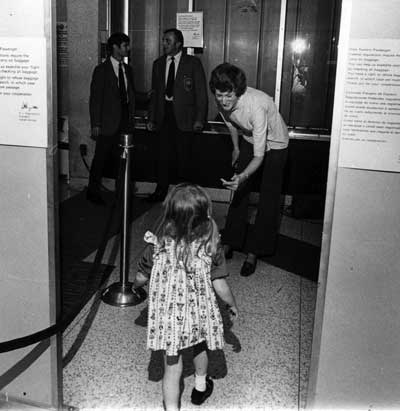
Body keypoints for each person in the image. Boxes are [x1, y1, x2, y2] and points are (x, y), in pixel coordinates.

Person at [134, 183, 238, 410]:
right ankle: (200, 387)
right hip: (199, 312)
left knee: (172, 366)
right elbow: (219, 284)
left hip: (170, 317)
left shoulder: (157, 245)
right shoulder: (210, 245)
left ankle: (171, 408)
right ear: (204, 216)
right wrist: (232, 304)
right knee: (200, 345)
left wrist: (136, 285)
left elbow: (142, 275)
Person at [209, 63, 289, 277]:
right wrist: (235, 148)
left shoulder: (256, 106)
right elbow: (232, 125)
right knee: (239, 191)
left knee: (268, 198)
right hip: (248, 138)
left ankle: (255, 250)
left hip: (275, 144)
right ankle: (231, 241)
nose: (223, 101)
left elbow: (260, 155)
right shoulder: (222, 101)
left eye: (228, 96)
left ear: (238, 92)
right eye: (219, 96)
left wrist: (244, 175)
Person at [146, 28, 208, 203]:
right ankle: (160, 192)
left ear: (178, 44)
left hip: (185, 118)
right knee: (162, 156)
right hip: (163, 115)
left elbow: (201, 93)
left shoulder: (193, 63)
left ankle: (184, 197)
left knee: (184, 158)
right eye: (164, 40)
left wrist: (199, 119)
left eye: (168, 41)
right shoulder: (157, 64)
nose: (163, 44)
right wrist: (151, 118)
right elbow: (155, 94)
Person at [87, 32, 136, 205]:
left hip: (125, 122)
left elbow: (130, 95)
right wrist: (96, 124)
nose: (128, 49)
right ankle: (93, 192)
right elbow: (95, 99)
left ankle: (121, 193)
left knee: (123, 159)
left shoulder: (128, 70)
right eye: (125, 45)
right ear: (115, 47)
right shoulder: (101, 70)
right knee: (100, 158)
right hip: (107, 124)